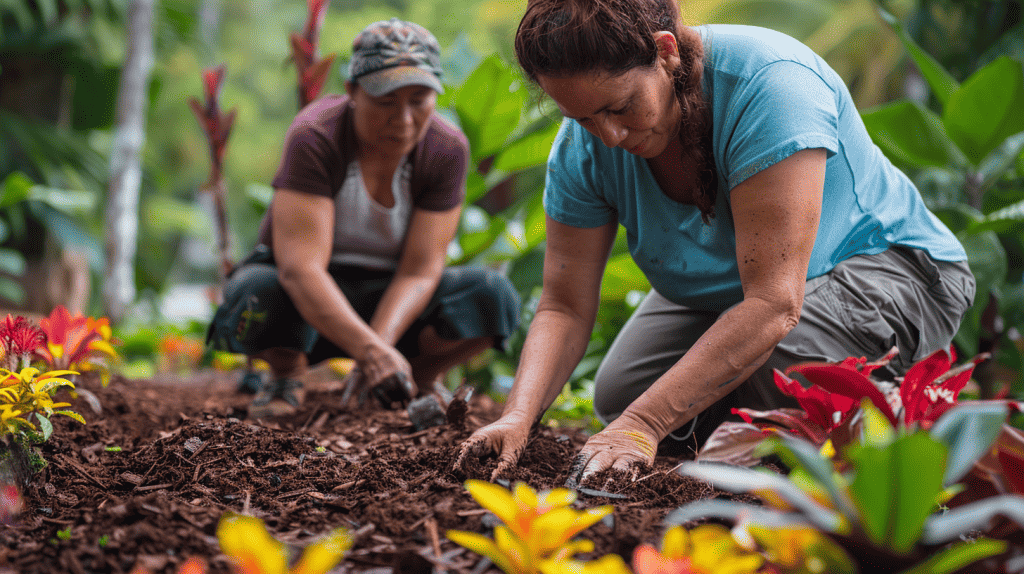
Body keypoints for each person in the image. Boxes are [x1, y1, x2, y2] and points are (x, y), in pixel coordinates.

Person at [455, 0, 975, 485]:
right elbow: (565, 306)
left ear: (665, 51)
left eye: (619, 107)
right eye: (583, 117)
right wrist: (519, 417)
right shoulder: (584, 146)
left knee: (765, 378)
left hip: (889, 269)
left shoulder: (772, 89)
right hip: (741, 290)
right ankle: (759, 440)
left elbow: (773, 304)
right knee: (623, 392)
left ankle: (899, 432)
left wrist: (645, 424)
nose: (608, 136)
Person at [207, 18, 521, 418]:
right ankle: (287, 374)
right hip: (308, 303)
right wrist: (370, 350)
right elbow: (301, 269)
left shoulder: (446, 150)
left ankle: (415, 377)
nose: (404, 119)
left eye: (419, 100)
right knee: (255, 290)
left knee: (492, 296)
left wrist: (381, 351)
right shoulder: (316, 136)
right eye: (387, 101)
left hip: (394, 298)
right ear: (353, 91)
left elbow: (421, 271)